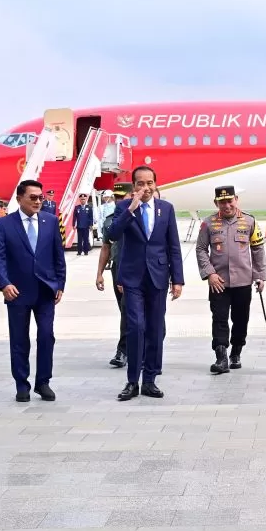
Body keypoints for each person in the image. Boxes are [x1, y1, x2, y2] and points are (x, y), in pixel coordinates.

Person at [108, 166, 184, 401]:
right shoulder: (123, 207)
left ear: (155, 184)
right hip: (131, 277)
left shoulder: (166, 209)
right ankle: (132, 381)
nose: (146, 188)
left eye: (149, 183)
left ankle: (150, 379)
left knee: (154, 328)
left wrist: (178, 279)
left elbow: (173, 246)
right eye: (140, 184)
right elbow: (112, 234)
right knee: (135, 326)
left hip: (158, 276)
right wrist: (131, 208)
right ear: (134, 186)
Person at [0, 179, 65, 402]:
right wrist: (4, 284)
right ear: (19, 198)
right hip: (17, 292)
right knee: (19, 339)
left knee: (46, 336)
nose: (38, 201)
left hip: (45, 291)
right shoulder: (5, 224)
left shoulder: (50, 221)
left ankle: (43, 382)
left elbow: (58, 256)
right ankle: (22, 384)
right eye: (33, 197)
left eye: (40, 197)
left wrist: (60, 284)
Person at [196, 185, 266, 373]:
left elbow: (258, 249)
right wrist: (210, 273)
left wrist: (260, 277)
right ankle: (221, 357)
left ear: (236, 199)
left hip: (243, 281)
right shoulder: (208, 223)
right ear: (215, 203)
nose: (226, 205)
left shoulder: (249, 221)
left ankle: (236, 351)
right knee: (219, 319)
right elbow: (201, 249)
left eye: (230, 201)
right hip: (218, 282)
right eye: (222, 202)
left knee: (240, 319)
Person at [96, 182, 133, 368]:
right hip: (117, 269)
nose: (118, 201)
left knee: (128, 311)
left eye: (122, 197)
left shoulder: (139, 217)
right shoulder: (110, 220)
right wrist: (99, 273)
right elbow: (105, 247)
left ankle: (124, 351)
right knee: (124, 310)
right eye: (116, 198)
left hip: (135, 270)